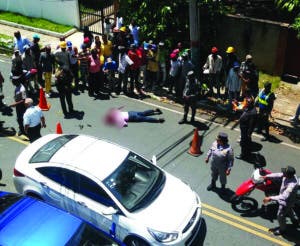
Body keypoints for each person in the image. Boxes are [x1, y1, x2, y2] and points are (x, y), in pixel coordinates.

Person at [262, 166, 299, 236]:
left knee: (280, 216)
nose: (283, 173)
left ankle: (282, 230)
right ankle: (295, 222)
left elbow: (284, 197)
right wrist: (267, 176)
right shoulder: (289, 175)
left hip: (286, 201)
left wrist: (270, 198)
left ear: (288, 175)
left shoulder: (291, 185)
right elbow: (278, 174)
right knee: (289, 210)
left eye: (284, 172)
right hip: (289, 200)